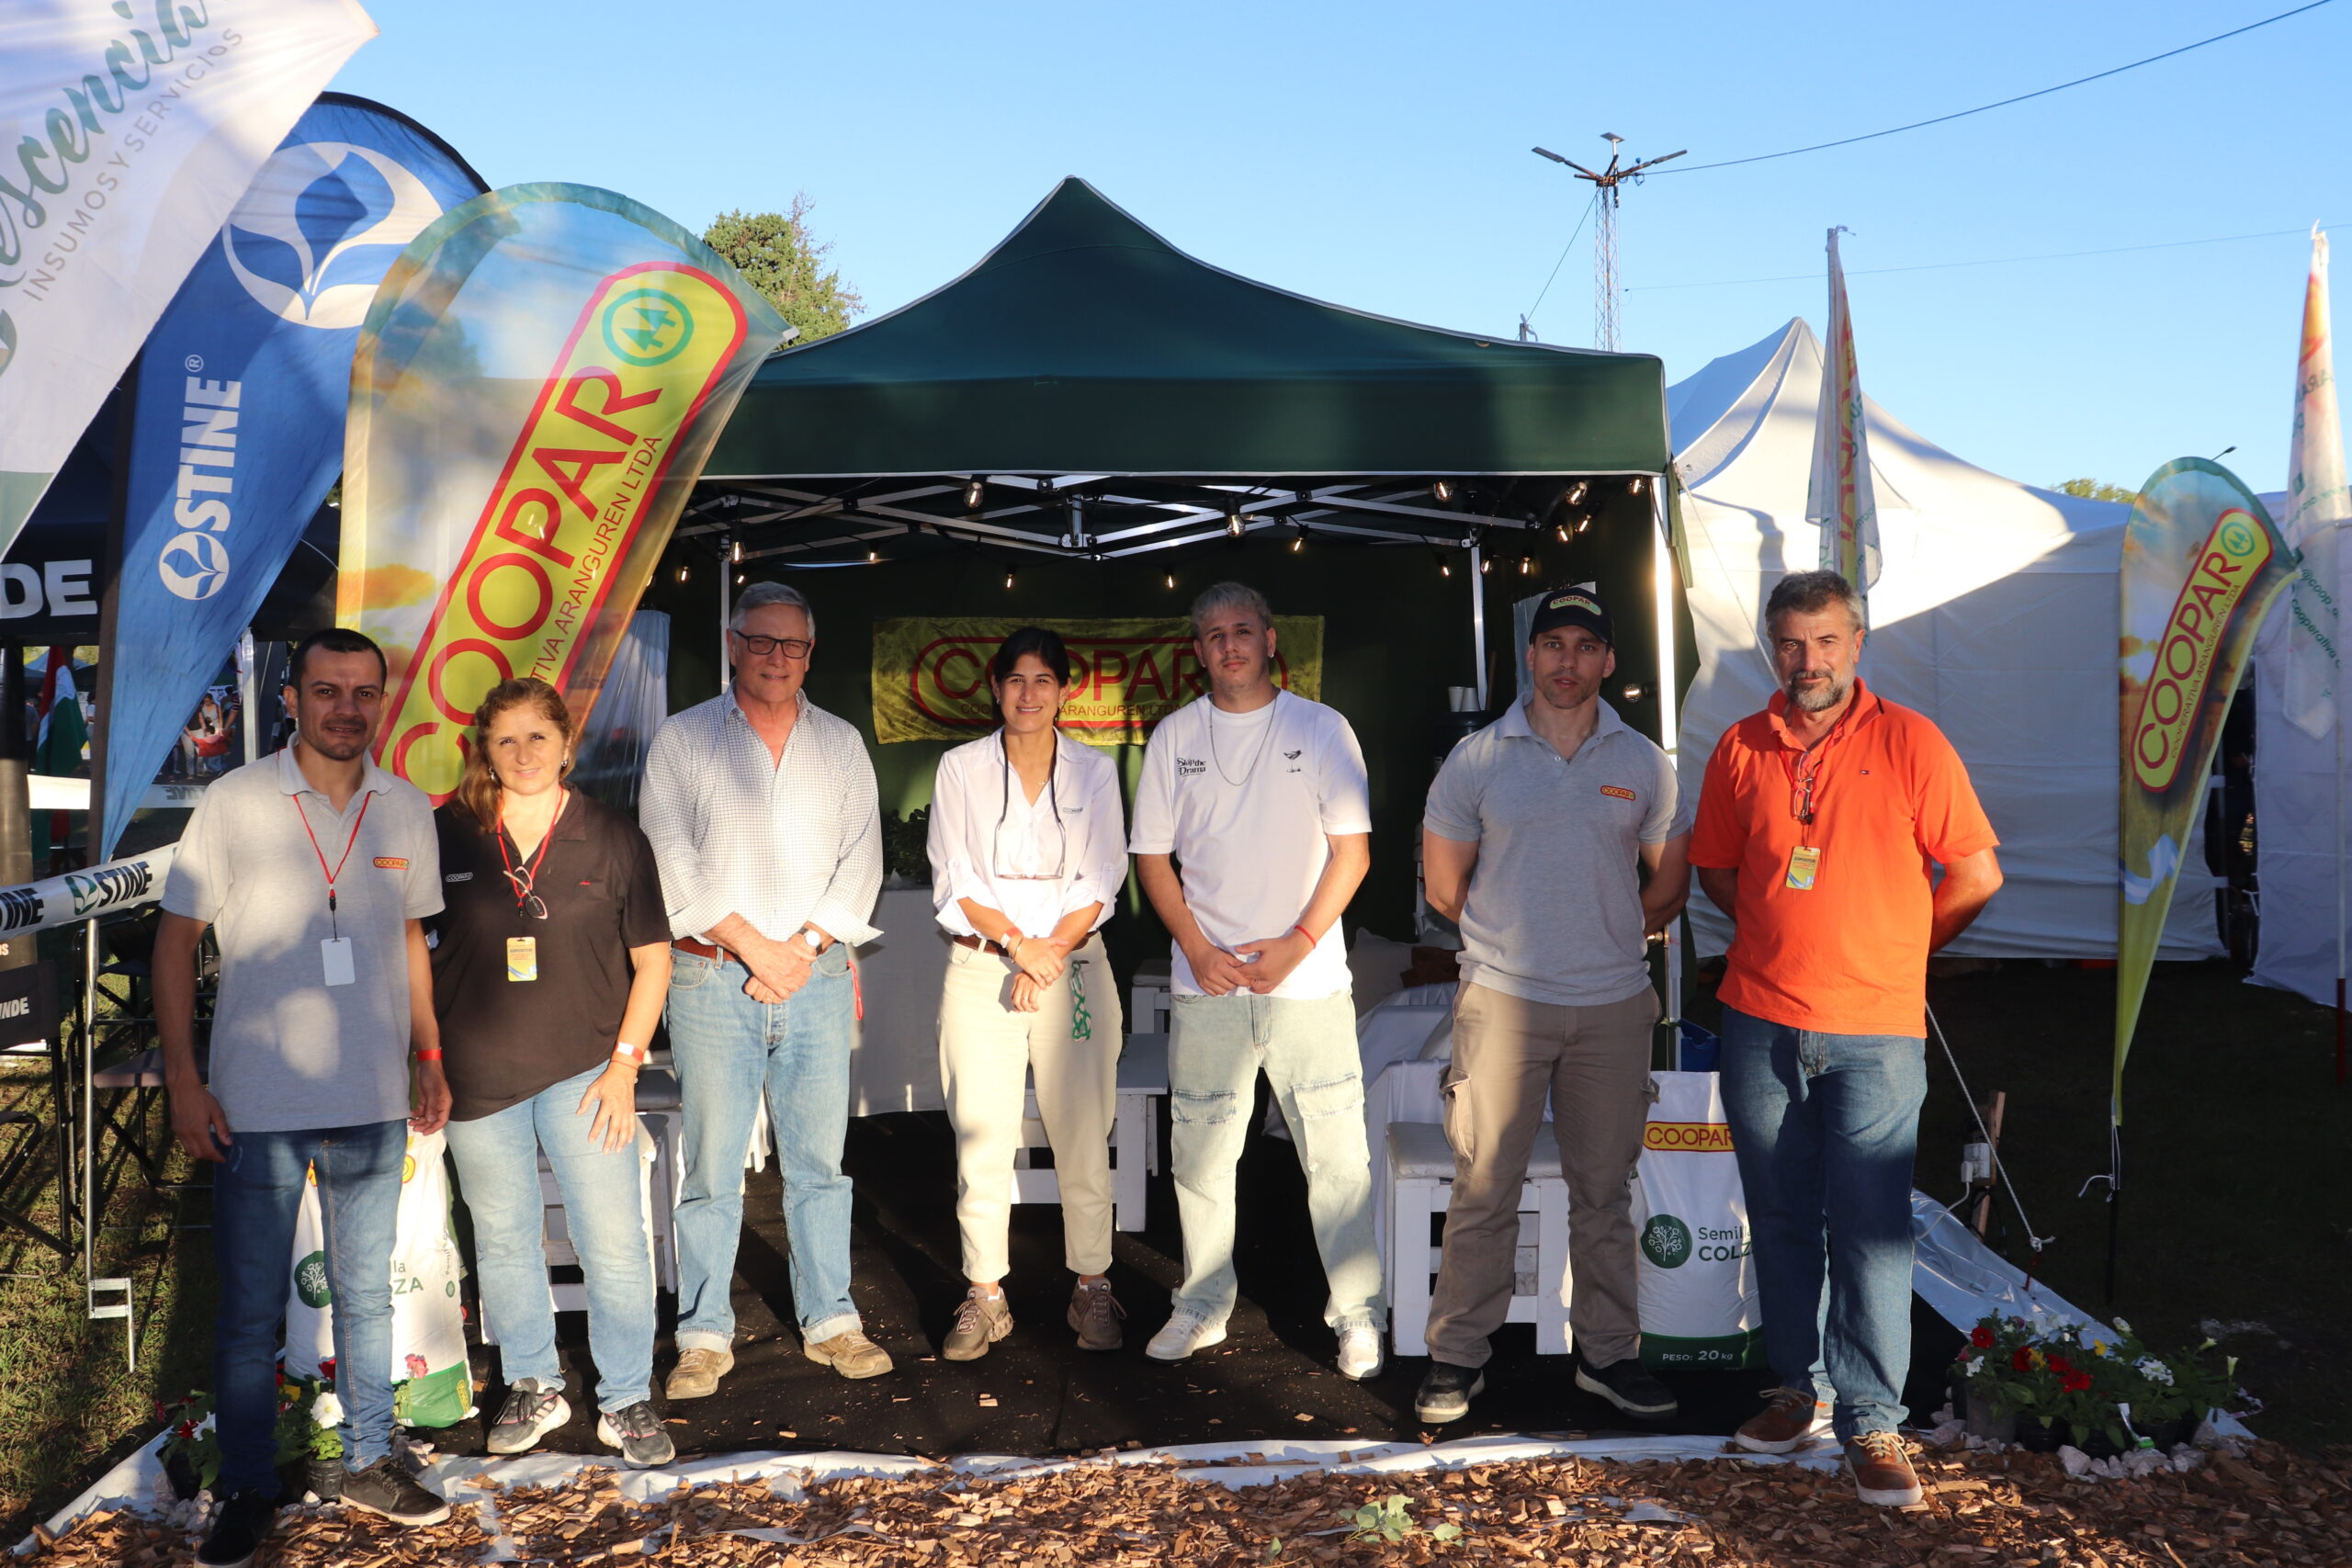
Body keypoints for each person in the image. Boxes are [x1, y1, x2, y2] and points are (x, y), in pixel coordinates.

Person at [1689, 570, 2002, 1508]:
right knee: (1780, 1215)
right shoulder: (1740, 747)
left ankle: (1870, 1419)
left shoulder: (1911, 741)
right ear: (1768, 647)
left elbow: (1976, 873)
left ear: (1856, 641)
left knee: (1869, 1228)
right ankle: (1796, 1391)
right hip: (1758, 1023)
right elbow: (1714, 874)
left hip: (1873, 1031)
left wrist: (1902, 952)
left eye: (1825, 640)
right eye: (1789, 642)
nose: (1807, 661)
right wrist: (1775, 941)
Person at [154, 628, 453, 1568]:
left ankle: (370, 1459)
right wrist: (185, 1080)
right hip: (256, 1104)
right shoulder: (237, 801)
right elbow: (174, 944)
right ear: (292, 697)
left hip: (370, 1094)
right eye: (328, 690)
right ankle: (247, 1485)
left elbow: (410, 939)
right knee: (249, 1313)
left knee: (367, 1297)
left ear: (380, 701)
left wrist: (429, 1050)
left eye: (364, 692)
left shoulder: (404, 808)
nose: (346, 708)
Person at [1415, 588, 1690, 1426]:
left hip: (1612, 1007)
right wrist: (1516, 944)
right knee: (1484, 1185)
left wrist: (1606, 936)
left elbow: (1669, 880)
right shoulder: (1479, 759)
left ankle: (1608, 1356)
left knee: (1604, 1191)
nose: (1567, 661)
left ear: (1609, 661)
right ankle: (1458, 1357)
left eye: (1585, 646)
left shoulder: (1643, 760)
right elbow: (1441, 887)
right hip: (1501, 1002)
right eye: (1552, 644)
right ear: (1528, 657)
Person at [1130, 581, 1386, 1379]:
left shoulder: (1321, 727)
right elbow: (1151, 860)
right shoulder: (1175, 737)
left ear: (1271, 640)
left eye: (1244, 630)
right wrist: (1200, 949)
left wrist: (1299, 942)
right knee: (1202, 1156)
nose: (1230, 645)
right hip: (1207, 986)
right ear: (1198, 650)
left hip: (1308, 985)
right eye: (1214, 635)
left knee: (1337, 1158)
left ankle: (1357, 1316)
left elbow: (1354, 852)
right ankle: (1203, 1303)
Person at [641, 580, 887, 1398]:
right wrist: (754, 947)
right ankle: (705, 1335)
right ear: (732, 643)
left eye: (795, 645)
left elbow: (863, 860)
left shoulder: (842, 744)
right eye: (764, 641)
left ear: (810, 654)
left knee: (820, 1163)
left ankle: (832, 1320)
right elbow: (668, 861)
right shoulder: (681, 741)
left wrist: (805, 946)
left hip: (814, 978)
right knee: (713, 1167)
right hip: (713, 979)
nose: (779, 658)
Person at [428, 678, 675, 1467]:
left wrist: (626, 1065)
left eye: (540, 737)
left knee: (612, 1240)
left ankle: (627, 1395)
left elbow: (655, 958)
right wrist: (424, 1057)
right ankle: (533, 1381)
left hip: (588, 1072)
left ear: (568, 745)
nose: (524, 753)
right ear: (485, 749)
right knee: (502, 1239)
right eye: (507, 739)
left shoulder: (613, 836)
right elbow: (405, 952)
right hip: (476, 1077)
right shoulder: (448, 834)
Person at [925, 627, 1129, 1359]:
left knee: (1083, 1131)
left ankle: (1092, 1286)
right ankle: (985, 1295)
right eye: (1016, 679)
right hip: (986, 967)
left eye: (1044, 680)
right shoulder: (961, 768)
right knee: (981, 1136)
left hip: (1072, 966)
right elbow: (957, 879)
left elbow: (1101, 876)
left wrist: (1049, 953)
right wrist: (1019, 946)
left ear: (1065, 690)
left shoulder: (1096, 772)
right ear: (995, 687)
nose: (1029, 693)